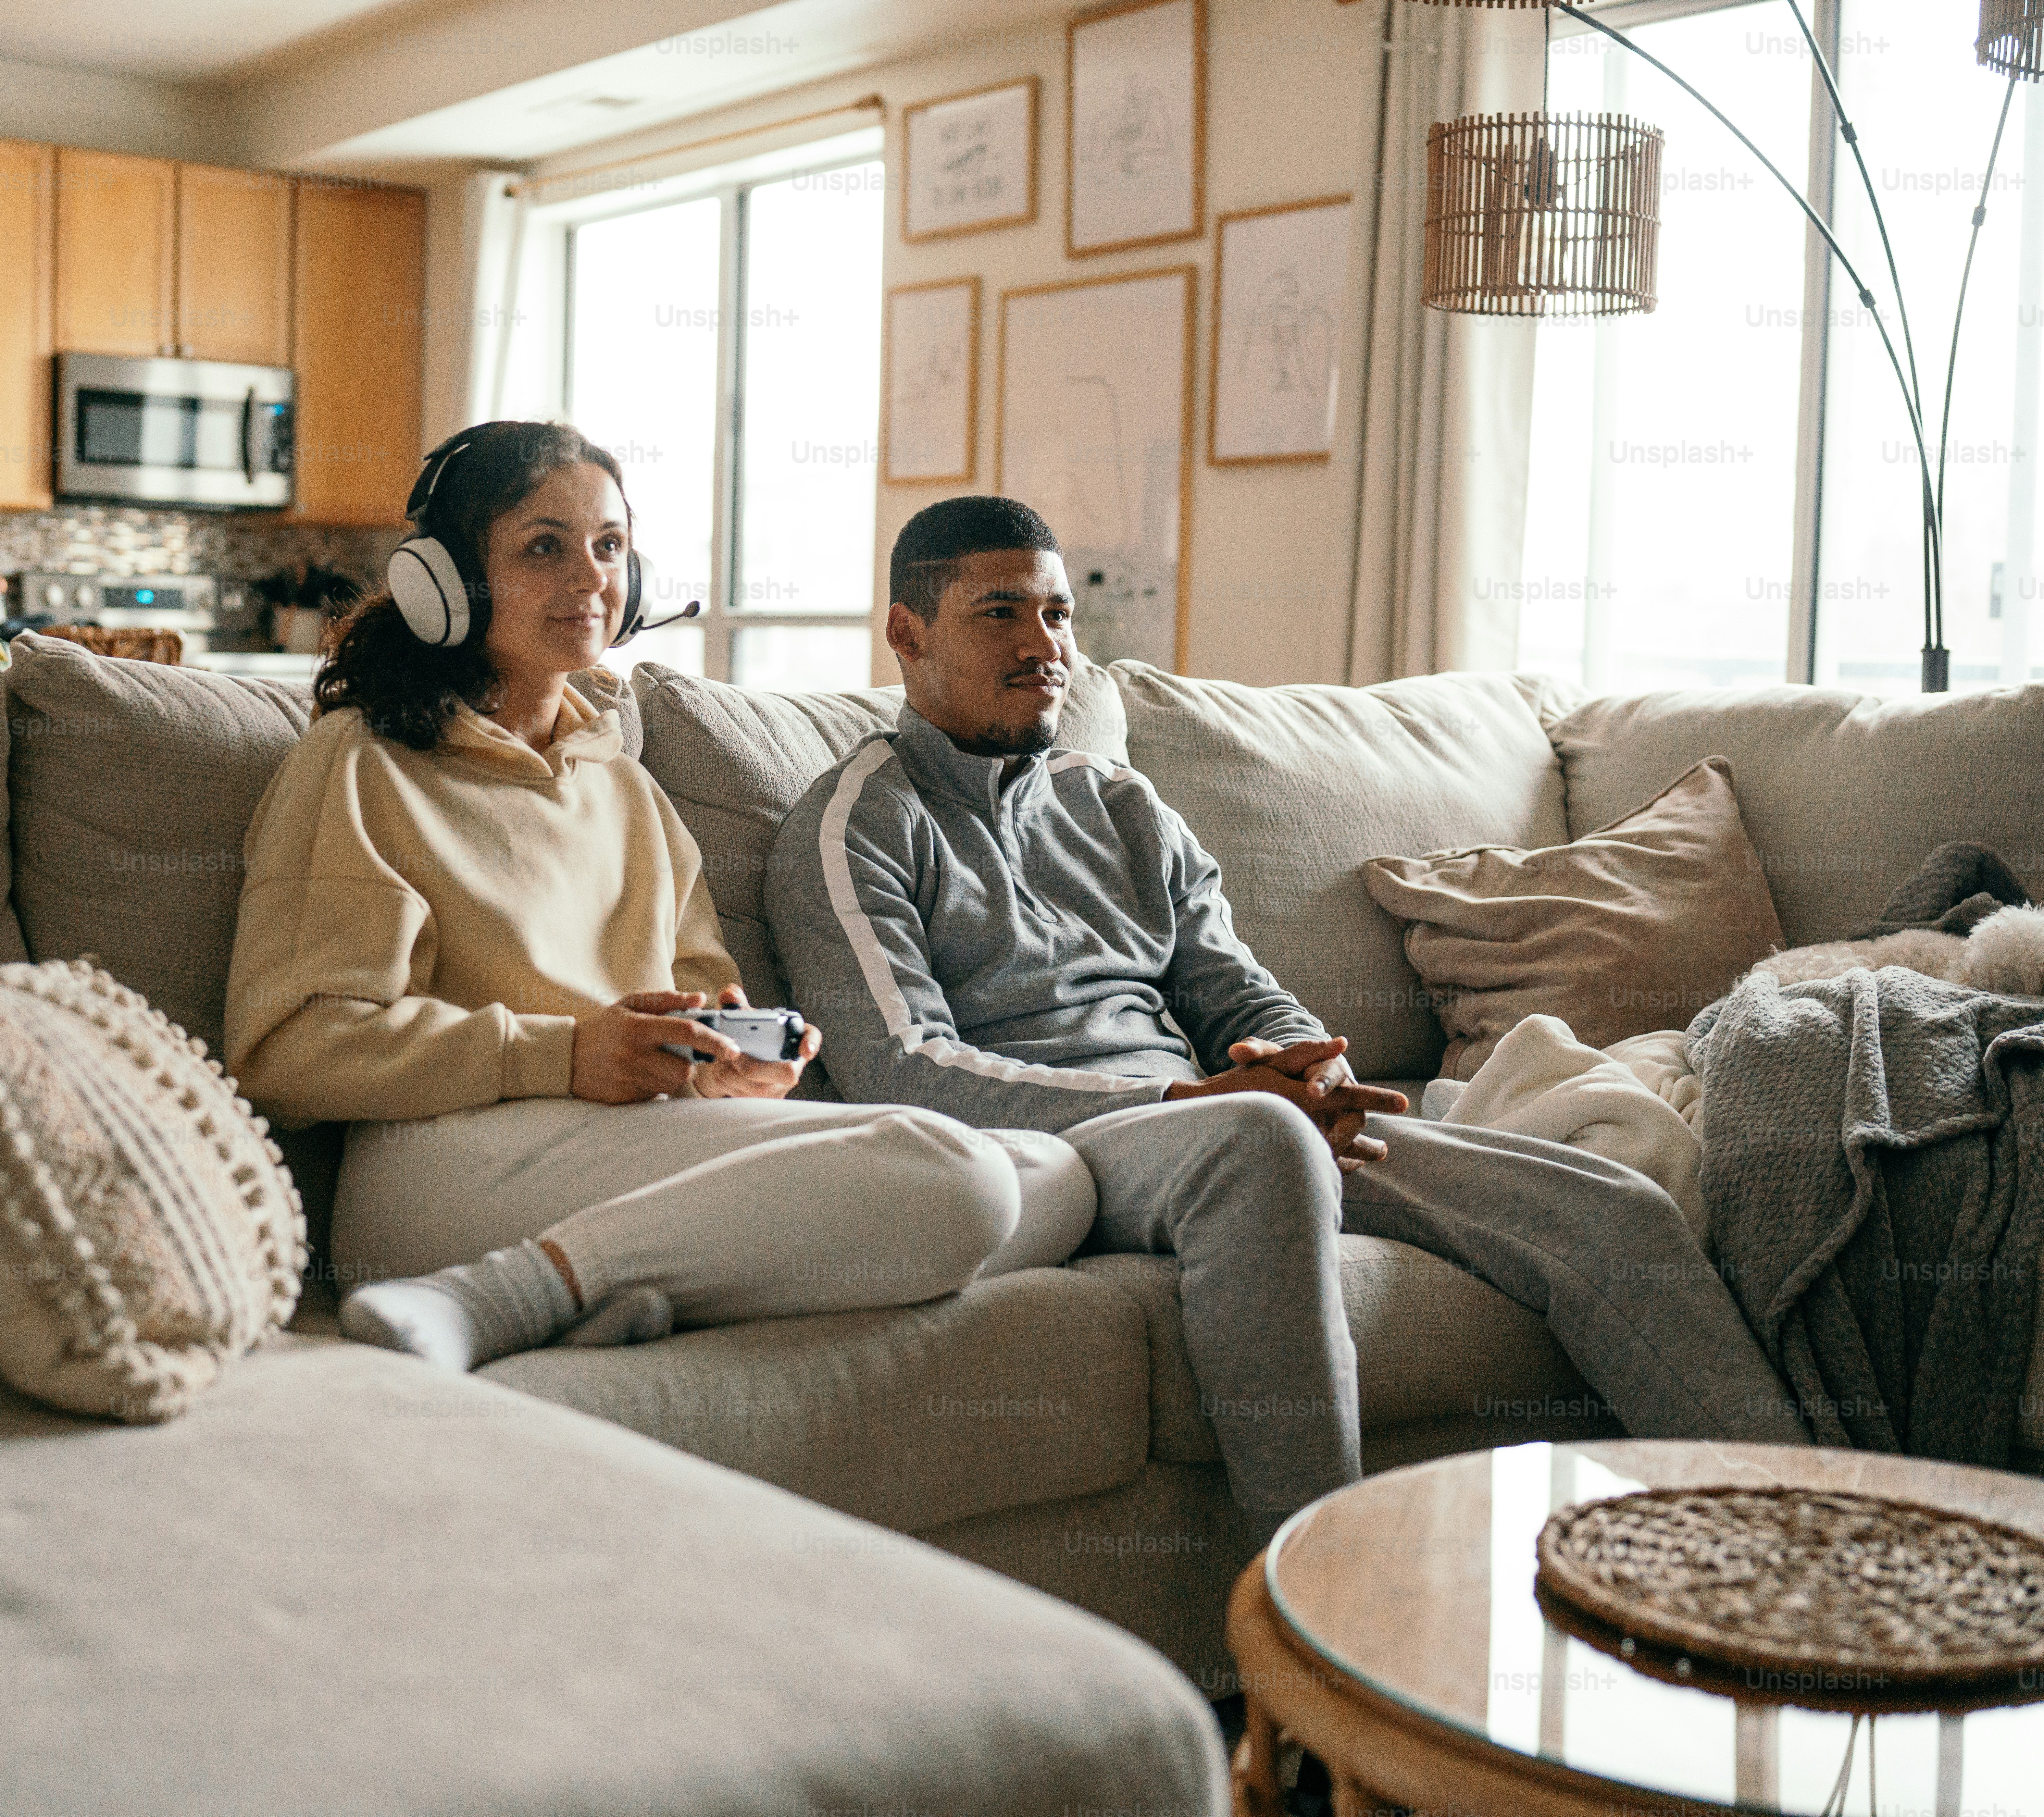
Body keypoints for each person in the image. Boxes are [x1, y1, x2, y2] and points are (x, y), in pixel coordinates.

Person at [765, 494, 1811, 1527]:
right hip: (1067, 1149)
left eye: (1056, 616)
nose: (1044, 645)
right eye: (1001, 613)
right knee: (1259, 1138)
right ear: (908, 634)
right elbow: (905, 1068)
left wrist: (1314, 1069)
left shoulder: (1119, 803)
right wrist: (1194, 1094)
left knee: (1604, 1207)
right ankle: (1320, 1612)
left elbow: (1229, 982)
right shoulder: (860, 822)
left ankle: (1815, 1549)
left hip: (1222, 1109)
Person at [223, 428, 1095, 1370]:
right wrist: (565, 1052)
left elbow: (704, 1007)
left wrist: (728, 1061)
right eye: (544, 547)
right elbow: (288, 1046)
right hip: (437, 1161)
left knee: (1056, 1176)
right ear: (448, 578)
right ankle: (492, 1295)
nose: (591, 578)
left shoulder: (625, 787)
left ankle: (604, 1288)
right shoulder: (364, 761)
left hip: (623, 1142)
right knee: (960, 1175)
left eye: (608, 547)